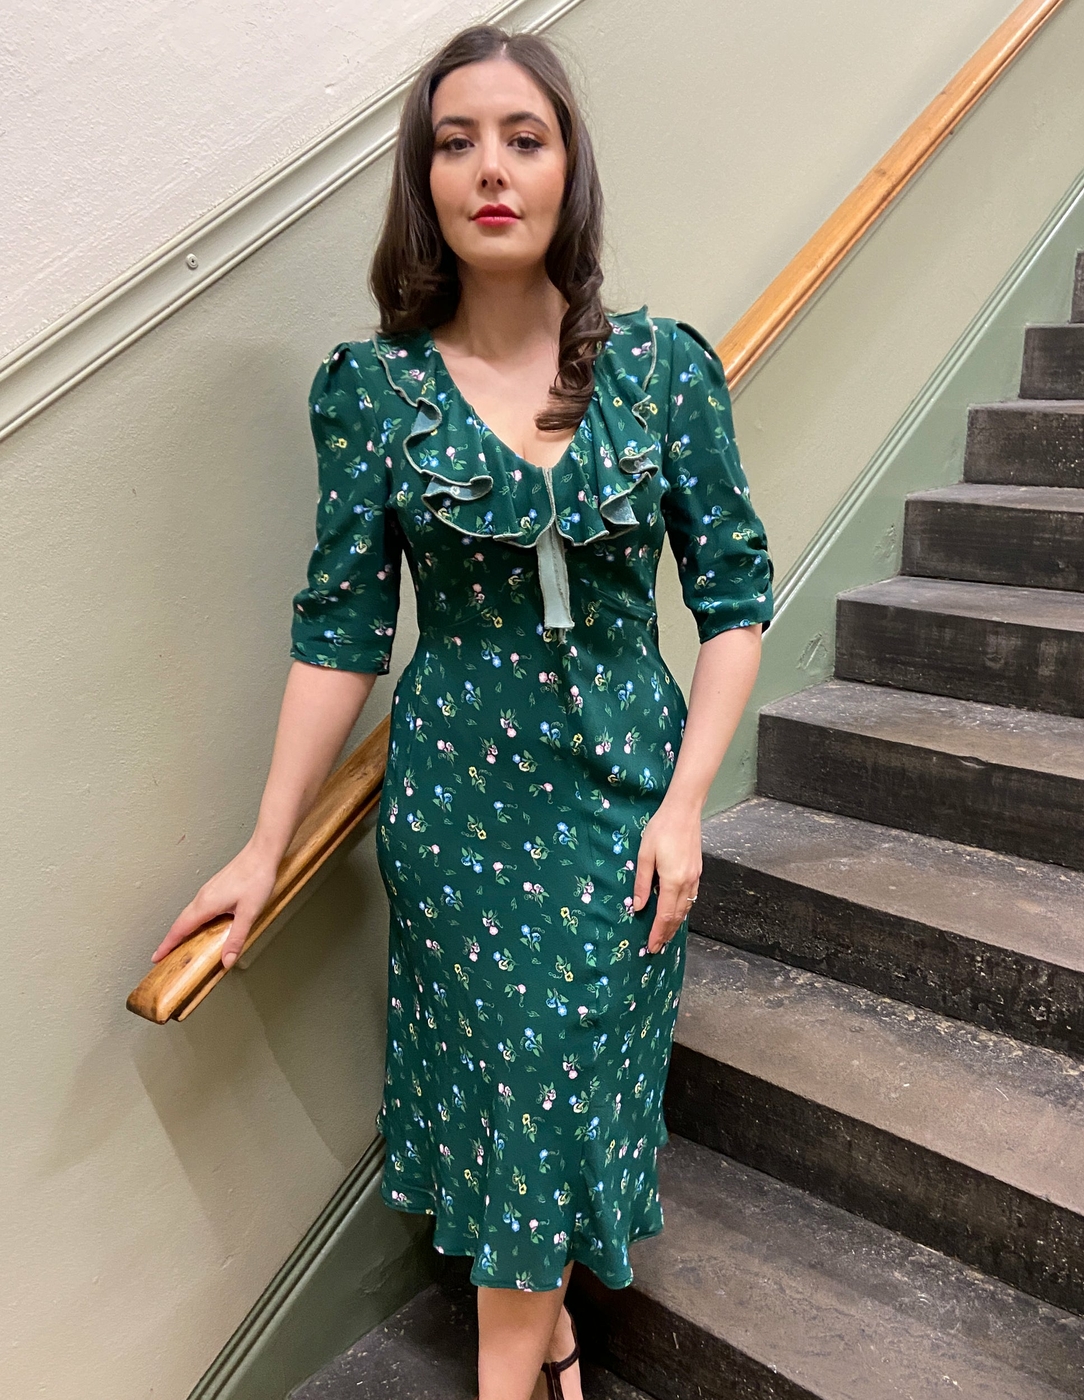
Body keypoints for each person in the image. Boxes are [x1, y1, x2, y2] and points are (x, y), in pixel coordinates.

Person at [153, 22, 773, 1400]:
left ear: (568, 170)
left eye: (523, 137)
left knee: (558, 1085)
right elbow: (340, 634)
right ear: (423, 180)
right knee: (512, 1102)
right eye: (456, 142)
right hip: (459, 816)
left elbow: (735, 602)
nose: (490, 168)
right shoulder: (374, 396)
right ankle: (537, 1353)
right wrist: (265, 846)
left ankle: (531, 1350)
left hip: (626, 805)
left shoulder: (665, 370)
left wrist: (686, 808)